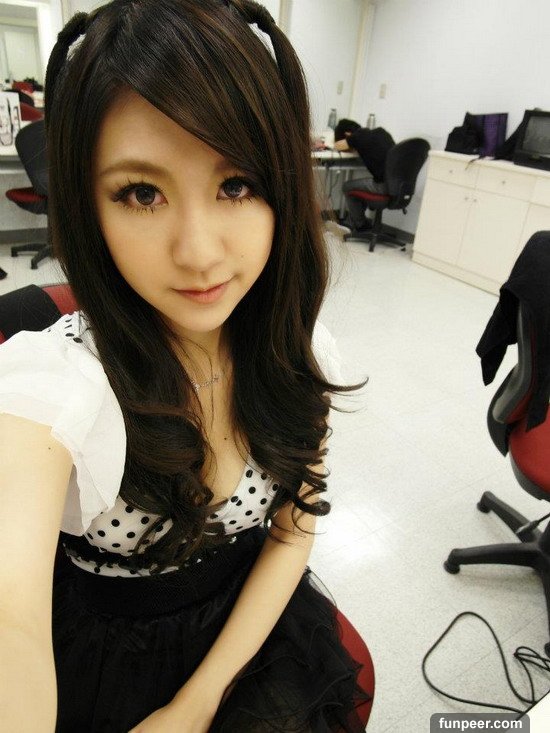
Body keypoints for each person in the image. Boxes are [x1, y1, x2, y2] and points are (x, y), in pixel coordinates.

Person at [0, 1, 371, 731]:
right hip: (108, 667)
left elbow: (292, 531)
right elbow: (11, 617)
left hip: (248, 639)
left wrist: (197, 703)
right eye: (142, 193)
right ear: (88, 205)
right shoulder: (55, 383)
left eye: (236, 185)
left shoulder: (298, 351)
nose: (199, 253)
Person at [334, 123, 395, 231]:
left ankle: (360, 225)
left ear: (347, 134)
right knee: (360, 187)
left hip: (383, 187)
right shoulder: (382, 132)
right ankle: (356, 220)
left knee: (347, 187)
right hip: (396, 186)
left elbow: (337, 146)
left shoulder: (358, 136)